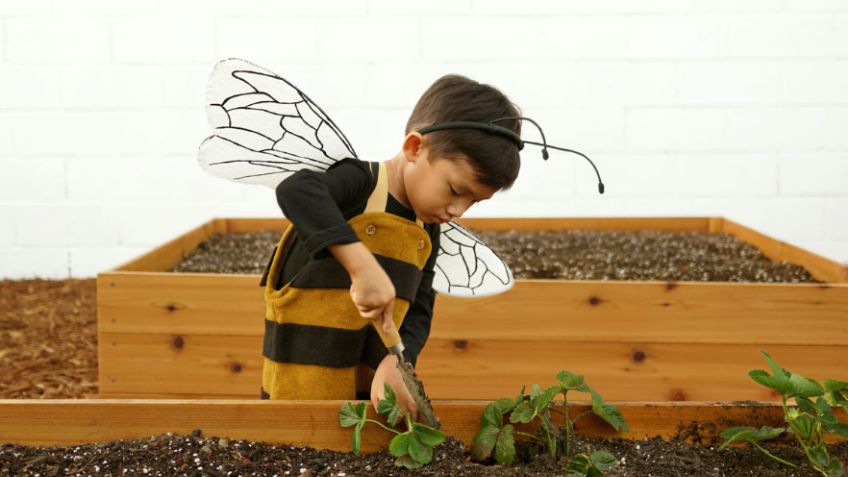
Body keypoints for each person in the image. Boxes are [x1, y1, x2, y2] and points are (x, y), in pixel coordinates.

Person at [259, 74, 522, 419]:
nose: (458, 210)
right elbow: (297, 190)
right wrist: (361, 265)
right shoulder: (360, 183)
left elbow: (421, 306)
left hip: (364, 379)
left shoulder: (427, 227)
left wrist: (398, 361)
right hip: (301, 372)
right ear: (415, 148)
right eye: (456, 191)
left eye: (474, 202)